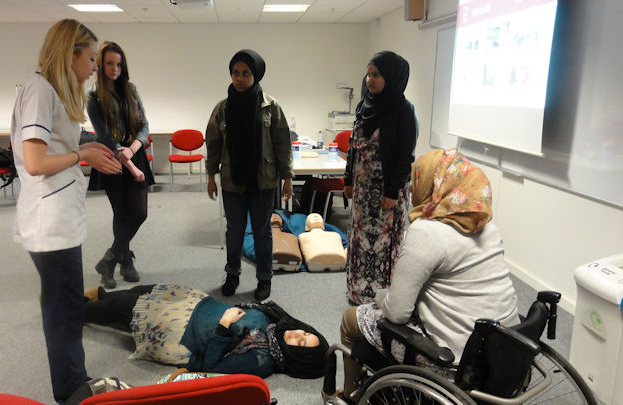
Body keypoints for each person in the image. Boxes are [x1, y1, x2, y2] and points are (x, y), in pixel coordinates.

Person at [336, 149, 519, 401]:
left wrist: (381, 297)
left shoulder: (427, 232)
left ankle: (351, 395)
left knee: (351, 319)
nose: (411, 190)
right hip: (505, 351)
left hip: (455, 361)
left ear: (435, 185)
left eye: (416, 182)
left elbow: (397, 312)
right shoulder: (486, 225)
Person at [10, 19, 123, 404]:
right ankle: (72, 389)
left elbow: (58, 142)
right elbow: (36, 160)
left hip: (58, 217)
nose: (94, 66)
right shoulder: (40, 91)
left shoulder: (50, 91)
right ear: (69, 53)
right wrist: (83, 155)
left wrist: (90, 146)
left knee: (67, 304)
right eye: (91, 58)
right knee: (63, 309)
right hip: (49, 220)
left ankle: (73, 380)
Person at [83, 284, 329, 379]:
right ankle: (99, 300)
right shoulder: (276, 325)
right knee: (139, 291)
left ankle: (71, 310)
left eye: (303, 343)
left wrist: (223, 326)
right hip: (195, 305)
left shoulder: (261, 361)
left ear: (298, 357)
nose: (299, 334)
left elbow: (210, 369)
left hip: (181, 333)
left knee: (122, 307)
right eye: (306, 334)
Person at [205, 49, 293, 302]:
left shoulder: (270, 107)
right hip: (232, 179)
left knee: (262, 230)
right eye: (236, 73)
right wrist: (211, 175)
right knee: (234, 230)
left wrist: (288, 178)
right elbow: (212, 143)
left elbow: (282, 144)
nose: (240, 78)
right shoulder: (222, 109)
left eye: (246, 73)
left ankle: (264, 278)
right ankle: (232, 274)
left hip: (263, 179)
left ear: (256, 75)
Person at [343, 51, 419, 305]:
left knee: (382, 245)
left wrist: (392, 192)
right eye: (368, 73)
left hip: (387, 191)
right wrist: (348, 180)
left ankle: (380, 297)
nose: (369, 80)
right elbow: (354, 146)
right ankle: (357, 292)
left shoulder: (404, 111)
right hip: (362, 189)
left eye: (376, 75)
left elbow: (404, 157)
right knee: (360, 241)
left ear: (392, 77)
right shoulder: (364, 105)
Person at [86, 41, 154, 289]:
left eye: (118, 63)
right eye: (109, 63)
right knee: (121, 213)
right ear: (101, 65)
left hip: (133, 152)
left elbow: (145, 125)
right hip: (110, 156)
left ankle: (109, 259)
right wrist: (124, 157)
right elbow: (103, 134)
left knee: (139, 212)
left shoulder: (131, 89)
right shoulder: (94, 95)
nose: (114, 68)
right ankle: (125, 260)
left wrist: (134, 148)